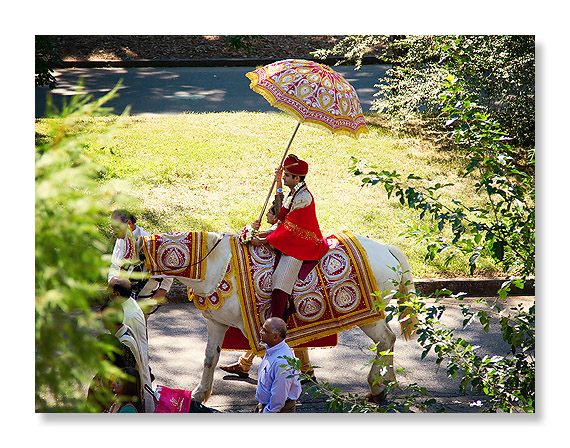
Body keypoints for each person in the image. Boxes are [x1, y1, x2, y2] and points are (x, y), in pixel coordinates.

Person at [109, 209, 173, 307]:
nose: (114, 232)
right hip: (122, 295)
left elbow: (167, 266)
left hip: (145, 295)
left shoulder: (148, 240)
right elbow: (114, 265)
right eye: (113, 228)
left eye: (117, 227)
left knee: (139, 317)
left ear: (129, 223)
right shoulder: (120, 240)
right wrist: (112, 284)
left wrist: (163, 289)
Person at [255, 317, 302, 413]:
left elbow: (279, 396)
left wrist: (268, 411)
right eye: (262, 328)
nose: (260, 332)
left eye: (264, 331)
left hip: (277, 410)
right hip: (268, 406)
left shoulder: (282, 362)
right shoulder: (274, 348)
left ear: (275, 337)